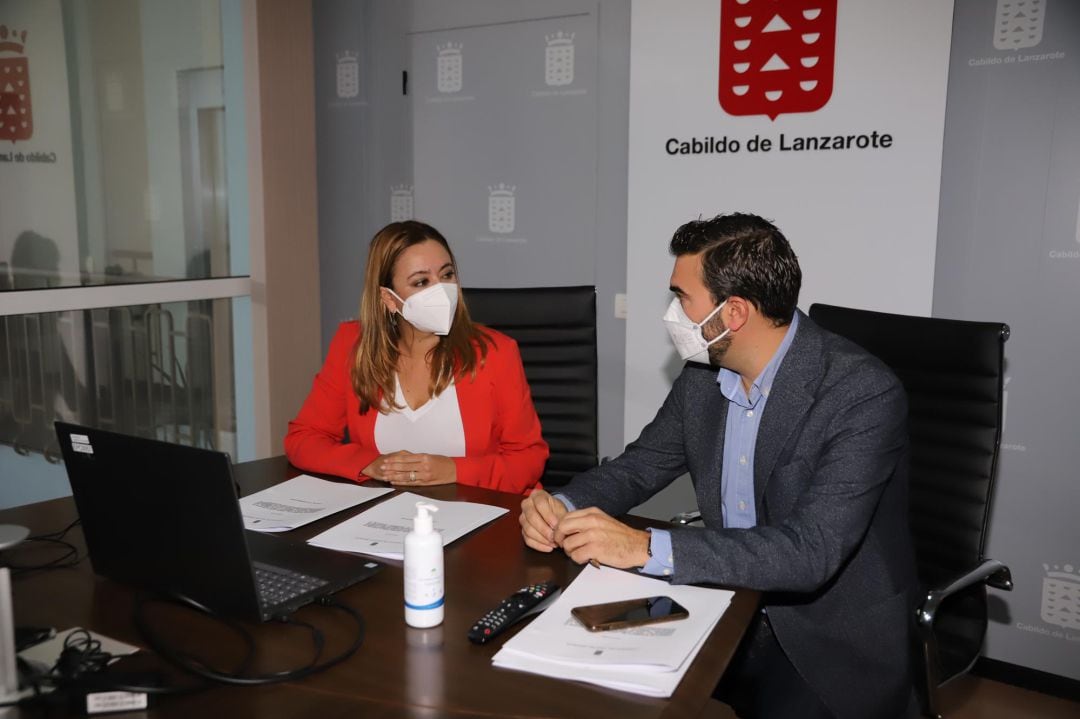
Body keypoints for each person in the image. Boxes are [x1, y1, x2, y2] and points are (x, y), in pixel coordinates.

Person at [519, 213, 918, 719]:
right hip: (722, 599)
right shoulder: (702, 378)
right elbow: (640, 466)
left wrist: (643, 546)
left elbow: (810, 552)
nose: (672, 313)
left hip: (824, 633)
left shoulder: (860, 393)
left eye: (682, 298)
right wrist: (564, 503)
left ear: (732, 313)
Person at [286, 220, 548, 494]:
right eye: (421, 282)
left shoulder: (495, 353)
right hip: (389, 519)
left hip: (479, 514)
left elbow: (528, 459)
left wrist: (454, 470)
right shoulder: (353, 346)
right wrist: (371, 464)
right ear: (389, 299)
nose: (441, 290)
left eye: (446, 275)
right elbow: (303, 439)